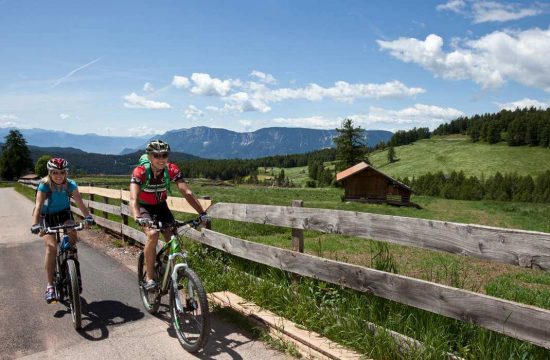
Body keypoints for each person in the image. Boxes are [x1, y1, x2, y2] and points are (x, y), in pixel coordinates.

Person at [130, 140, 207, 291]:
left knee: (172, 238)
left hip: (161, 207)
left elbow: (187, 192)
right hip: (144, 207)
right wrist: (138, 217)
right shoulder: (140, 172)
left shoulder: (171, 169)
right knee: (152, 234)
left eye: (164, 155)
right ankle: (150, 278)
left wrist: (202, 213)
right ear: (150, 156)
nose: (161, 159)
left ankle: (169, 270)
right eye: (156, 155)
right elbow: (133, 199)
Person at [30, 158, 95, 303]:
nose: (58, 176)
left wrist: (88, 217)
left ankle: (72, 267)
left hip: (64, 214)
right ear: (49, 173)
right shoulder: (44, 186)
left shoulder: (70, 184)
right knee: (51, 247)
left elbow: (79, 202)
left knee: (72, 232)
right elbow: (38, 206)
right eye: (55, 173)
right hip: (45, 216)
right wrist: (35, 225)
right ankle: (50, 286)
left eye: (62, 172)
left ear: (66, 173)